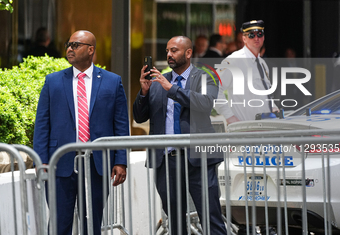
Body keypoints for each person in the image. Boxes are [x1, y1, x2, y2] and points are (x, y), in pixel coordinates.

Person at [33, 30, 129, 235]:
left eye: (75, 45)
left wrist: (121, 160)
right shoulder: (53, 81)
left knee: (92, 224)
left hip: (97, 165)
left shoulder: (113, 81)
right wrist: (41, 160)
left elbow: (120, 124)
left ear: (91, 49)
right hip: (60, 164)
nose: (69, 48)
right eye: (68, 44)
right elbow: (42, 123)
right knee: (59, 224)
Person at [133, 36, 227, 234]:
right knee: (174, 221)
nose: (169, 54)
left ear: (188, 53)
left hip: (198, 159)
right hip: (167, 161)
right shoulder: (158, 81)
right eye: (167, 50)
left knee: (211, 217)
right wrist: (143, 92)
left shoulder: (204, 77)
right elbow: (139, 117)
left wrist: (172, 89)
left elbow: (205, 104)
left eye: (174, 50)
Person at [215, 20, 278, 124]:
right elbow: (214, 88)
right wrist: (229, 117)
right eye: (251, 35)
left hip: (266, 128)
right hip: (245, 130)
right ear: (244, 38)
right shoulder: (234, 60)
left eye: (260, 34)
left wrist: (273, 107)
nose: (256, 38)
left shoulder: (262, 63)